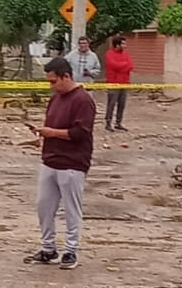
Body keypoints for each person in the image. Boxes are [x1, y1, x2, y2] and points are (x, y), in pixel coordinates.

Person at [24, 55, 96, 270]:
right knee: (44, 207)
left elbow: (80, 133)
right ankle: (48, 249)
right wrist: (42, 137)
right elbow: (53, 125)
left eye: (54, 81)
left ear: (66, 76)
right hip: (50, 161)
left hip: (72, 164)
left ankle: (71, 251)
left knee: (72, 210)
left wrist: (51, 133)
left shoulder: (83, 100)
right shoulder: (56, 97)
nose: (51, 86)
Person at [104, 34, 134, 133]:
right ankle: (108, 123)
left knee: (122, 104)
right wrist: (124, 65)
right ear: (117, 45)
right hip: (113, 83)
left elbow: (130, 65)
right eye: (123, 44)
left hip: (124, 83)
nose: (125, 46)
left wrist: (122, 66)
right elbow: (113, 65)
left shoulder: (126, 54)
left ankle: (118, 123)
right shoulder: (109, 54)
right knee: (111, 104)